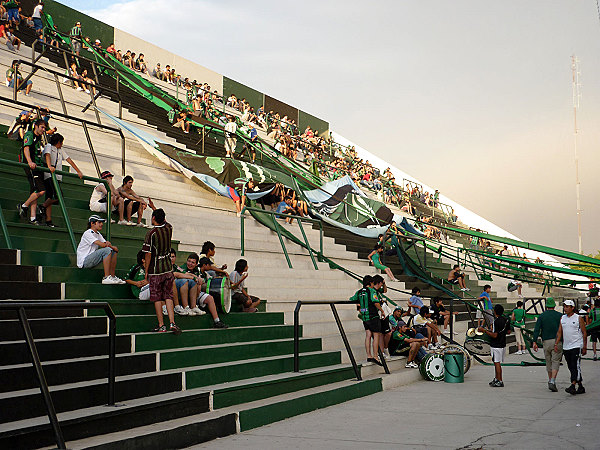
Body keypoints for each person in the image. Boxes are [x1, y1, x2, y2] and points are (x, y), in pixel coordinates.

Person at [142, 208, 181, 334]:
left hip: (155, 270)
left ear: (153, 218)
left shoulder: (151, 233)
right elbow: (164, 221)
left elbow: (147, 254)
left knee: (157, 298)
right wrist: (155, 208)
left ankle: (161, 325)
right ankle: (172, 323)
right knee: (168, 296)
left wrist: (146, 270)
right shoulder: (169, 228)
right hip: (168, 269)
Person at [42, 133, 83, 227]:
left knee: (50, 197)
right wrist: (49, 166)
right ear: (58, 142)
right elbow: (47, 155)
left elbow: (68, 159)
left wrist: (78, 171)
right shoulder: (49, 146)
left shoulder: (60, 150)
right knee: (57, 196)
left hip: (57, 176)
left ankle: (47, 218)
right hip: (50, 175)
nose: (62, 144)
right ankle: (43, 208)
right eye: (61, 142)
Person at [76, 215, 125, 284]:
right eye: (99, 222)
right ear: (92, 223)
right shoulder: (88, 233)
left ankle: (112, 276)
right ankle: (106, 277)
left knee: (113, 251)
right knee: (107, 250)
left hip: (92, 259)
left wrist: (113, 248)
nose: (101, 224)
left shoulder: (98, 234)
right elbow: (103, 245)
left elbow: (107, 245)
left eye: (102, 222)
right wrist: (111, 246)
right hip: (84, 262)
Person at [17, 118, 46, 224]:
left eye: (45, 128)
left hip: (37, 166)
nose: (44, 130)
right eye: (42, 127)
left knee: (34, 191)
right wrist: (29, 162)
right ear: (36, 126)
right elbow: (26, 148)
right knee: (41, 190)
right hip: (31, 166)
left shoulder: (39, 137)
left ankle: (32, 218)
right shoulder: (30, 134)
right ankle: (24, 206)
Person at [350, 274, 384, 366]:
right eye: (373, 282)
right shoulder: (372, 291)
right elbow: (376, 302)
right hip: (373, 316)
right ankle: (376, 356)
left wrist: (360, 307)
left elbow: (351, 299)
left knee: (368, 335)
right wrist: (382, 311)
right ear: (370, 283)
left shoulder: (359, 292)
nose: (373, 284)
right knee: (376, 336)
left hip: (365, 317)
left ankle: (369, 356)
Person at [555, 299, 587, 395]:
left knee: (575, 365)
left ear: (572, 308)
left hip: (576, 345)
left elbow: (584, 332)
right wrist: (556, 343)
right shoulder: (563, 318)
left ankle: (573, 385)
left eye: (567, 306)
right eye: (564, 306)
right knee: (571, 366)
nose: (565, 308)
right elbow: (560, 332)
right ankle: (580, 385)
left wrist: (584, 346)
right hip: (566, 346)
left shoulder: (578, 318)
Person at [532, 297, 563, 392]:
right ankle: (553, 381)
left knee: (548, 361)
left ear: (546, 306)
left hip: (546, 341)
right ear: (554, 305)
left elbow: (537, 329)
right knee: (556, 361)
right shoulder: (560, 316)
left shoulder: (541, 316)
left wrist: (534, 341)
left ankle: (550, 379)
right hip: (557, 341)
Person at [479, 304, 510, 387]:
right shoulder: (506, 320)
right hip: (502, 343)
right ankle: (496, 378)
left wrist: (484, 331)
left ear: (495, 311)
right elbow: (508, 331)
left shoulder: (496, 322)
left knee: (497, 363)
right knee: (497, 362)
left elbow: (495, 335)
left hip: (496, 345)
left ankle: (500, 380)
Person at [197, 257, 228, 328]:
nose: (210, 267)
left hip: (201, 295)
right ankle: (216, 321)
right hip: (194, 294)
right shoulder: (197, 271)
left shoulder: (205, 274)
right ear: (204, 265)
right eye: (209, 265)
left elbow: (211, 279)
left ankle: (217, 320)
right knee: (210, 297)